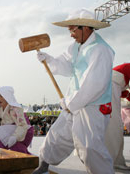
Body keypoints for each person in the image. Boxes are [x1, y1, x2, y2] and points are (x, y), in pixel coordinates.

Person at [33, 9, 115, 174]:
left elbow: (93, 84)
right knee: (56, 136)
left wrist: (70, 103)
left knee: (90, 148)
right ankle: (44, 164)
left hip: (92, 107)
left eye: (72, 29)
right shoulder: (76, 47)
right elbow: (66, 66)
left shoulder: (101, 50)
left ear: (84, 27)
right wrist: (48, 59)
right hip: (73, 102)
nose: (70, 34)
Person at [104, 63, 130, 170]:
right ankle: (114, 161)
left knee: (109, 124)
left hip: (109, 87)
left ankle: (111, 159)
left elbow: (124, 93)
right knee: (114, 126)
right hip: (112, 88)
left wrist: (127, 95)